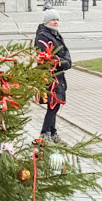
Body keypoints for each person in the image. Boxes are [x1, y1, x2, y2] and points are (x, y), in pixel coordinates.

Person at [35, 8, 71, 143]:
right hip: (49, 75)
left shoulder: (56, 35)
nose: (55, 22)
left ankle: (52, 132)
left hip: (58, 75)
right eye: (53, 20)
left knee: (54, 103)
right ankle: (45, 132)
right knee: (53, 104)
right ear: (46, 22)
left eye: (57, 19)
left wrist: (65, 61)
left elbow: (66, 53)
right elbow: (48, 57)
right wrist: (63, 62)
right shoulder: (43, 36)